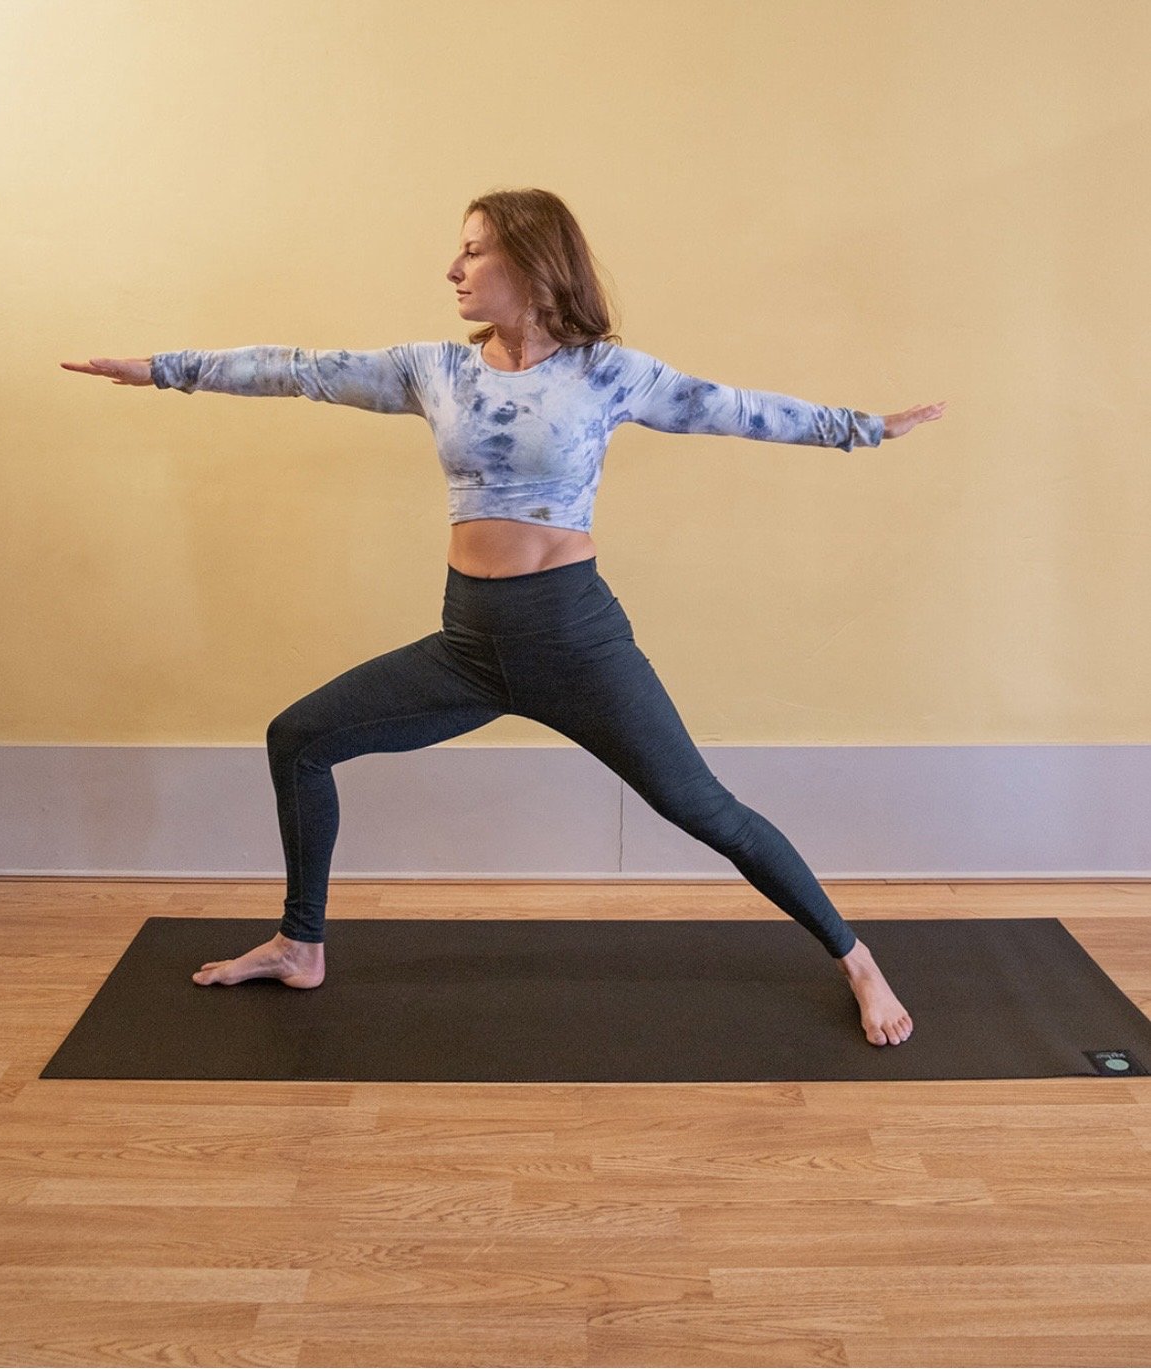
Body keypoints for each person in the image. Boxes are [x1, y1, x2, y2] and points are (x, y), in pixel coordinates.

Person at [62, 187, 946, 1047]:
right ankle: (300, 944)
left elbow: (736, 409)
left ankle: (858, 959)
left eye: (474, 248)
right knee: (298, 737)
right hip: (469, 644)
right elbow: (297, 369)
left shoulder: (607, 371)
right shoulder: (435, 369)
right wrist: (162, 371)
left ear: (530, 260)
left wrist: (862, 428)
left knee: (705, 808)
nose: (453, 267)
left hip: (576, 641)